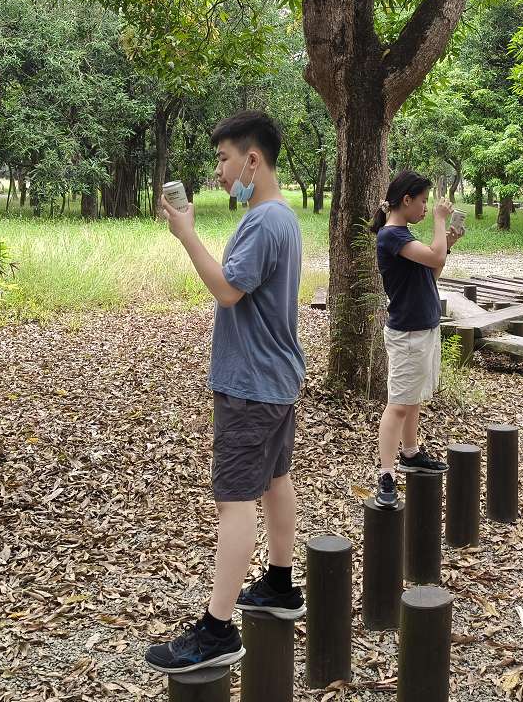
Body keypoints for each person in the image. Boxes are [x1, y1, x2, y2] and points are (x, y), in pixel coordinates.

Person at [145, 111, 306, 675]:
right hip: (277, 380)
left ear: (252, 161)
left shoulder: (263, 222)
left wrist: (187, 234)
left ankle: (217, 629)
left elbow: (227, 290)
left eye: (224, 159)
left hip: (251, 385)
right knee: (275, 480)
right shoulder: (281, 218)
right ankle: (281, 585)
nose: (219, 172)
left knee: (234, 501)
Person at [369, 170, 464, 509]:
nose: (426, 208)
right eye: (423, 201)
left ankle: (410, 453)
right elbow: (434, 258)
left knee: (412, 399)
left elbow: (432, 271)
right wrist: (440, 221)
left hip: (422, 328)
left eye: (429, 204)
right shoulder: (390, 236)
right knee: (397, 405)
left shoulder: (403, 235)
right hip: (408, 332)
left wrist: (447, 244)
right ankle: (386, 474)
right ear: (406, 200)